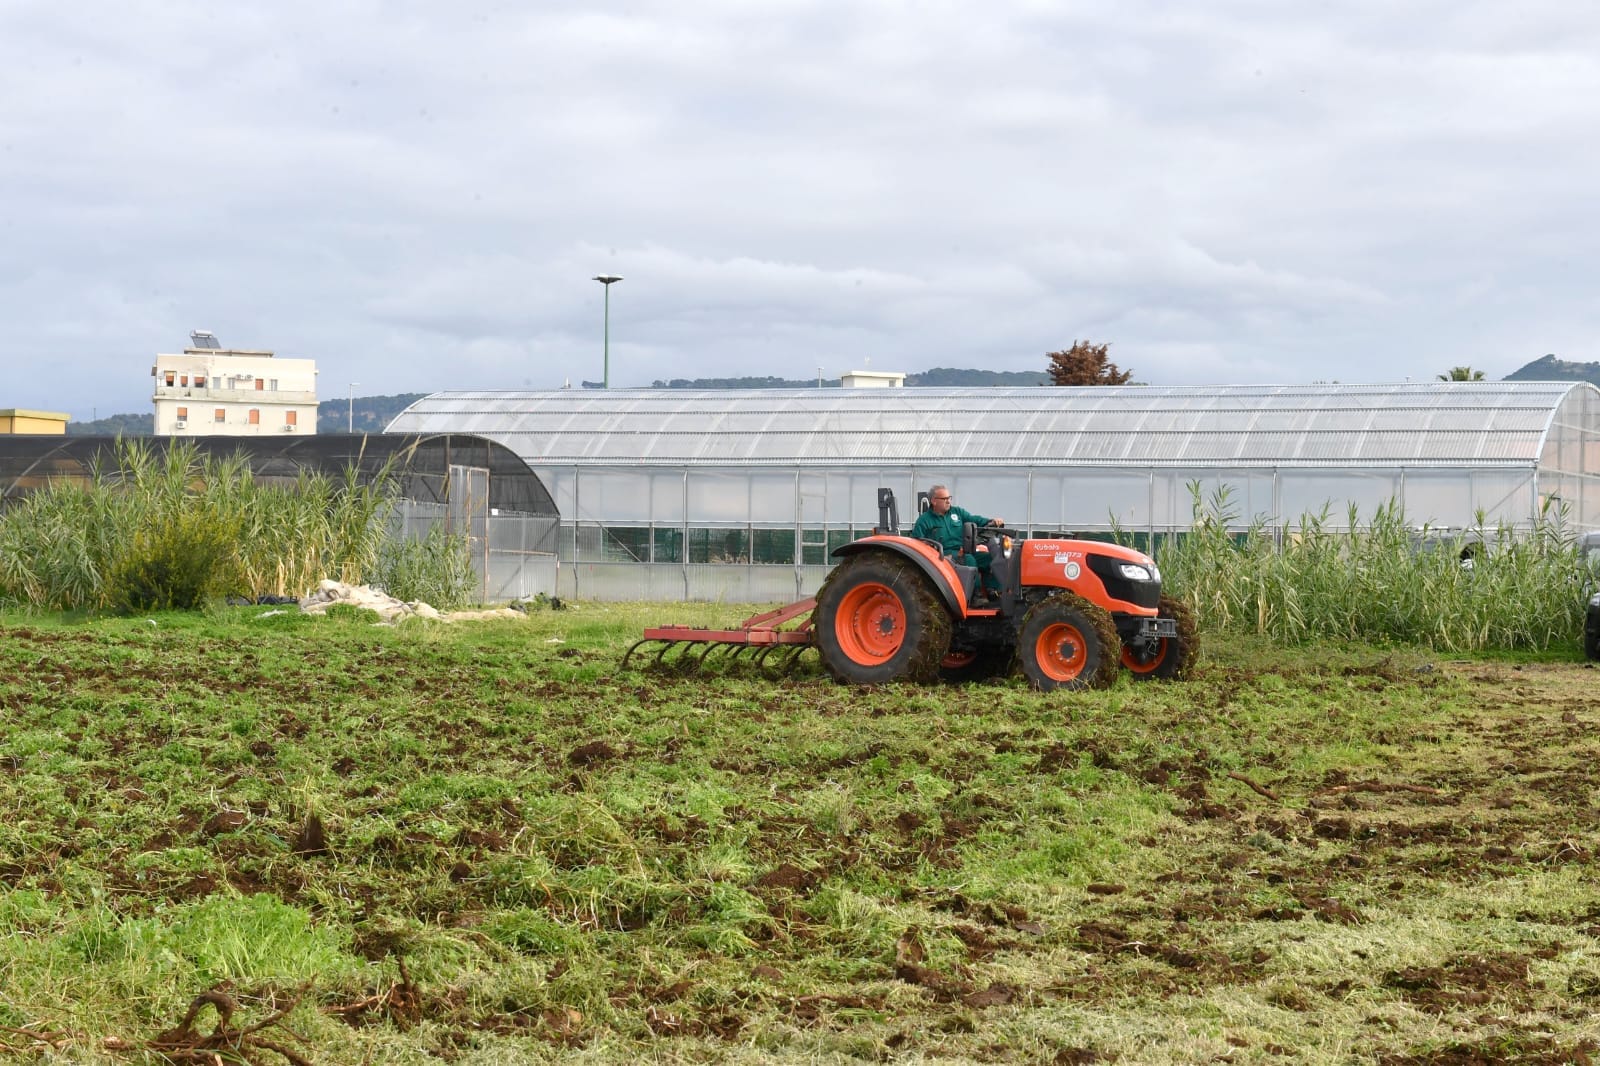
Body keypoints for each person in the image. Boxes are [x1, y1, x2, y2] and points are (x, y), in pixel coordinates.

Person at [911, 485, 1005, 595]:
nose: (948, 501)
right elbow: (916, 543)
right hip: (943, 556)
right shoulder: (924, 520)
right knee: (969, 560)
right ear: (934, 501)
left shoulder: (957, 512)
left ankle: (993, 591)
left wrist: (991, 521)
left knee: (991, 559)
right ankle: (976, 594)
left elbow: (974, 519)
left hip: (964, 550)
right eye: (944, 499)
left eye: (949, 498)